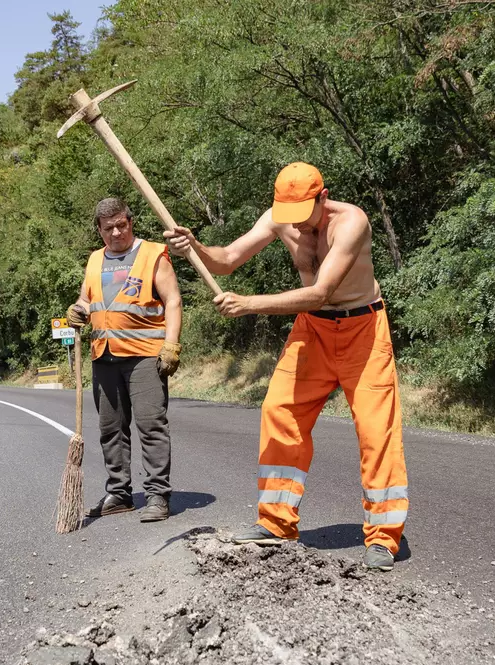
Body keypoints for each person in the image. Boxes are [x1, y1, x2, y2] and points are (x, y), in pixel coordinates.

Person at [165, 162, 409, 571]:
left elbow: (320, 292)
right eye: (287, 214)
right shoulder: (279, 218)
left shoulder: (351, 222)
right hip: (312, 331)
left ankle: (383, 538)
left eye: (303, 213)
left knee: (375, 430)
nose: (295, 224)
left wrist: (249, 304)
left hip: (362, 329)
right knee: (279, 412)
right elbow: (225, 261)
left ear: (323, 197)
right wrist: (195, 249)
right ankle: (277, 523)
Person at [68, 198, 183, 523]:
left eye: (122, 224)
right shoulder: (94, 260)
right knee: (110, 429)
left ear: (130, 222)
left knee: (151, 426)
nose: (117, 232)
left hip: (145, 356)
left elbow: (173, 300)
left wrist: (171, 345)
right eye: (109, 228)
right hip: (104, 356)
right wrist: (78, 310)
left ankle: (158, 495)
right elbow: (86, 299)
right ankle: (119, 494)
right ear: (100, 230)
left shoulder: (152, 254)